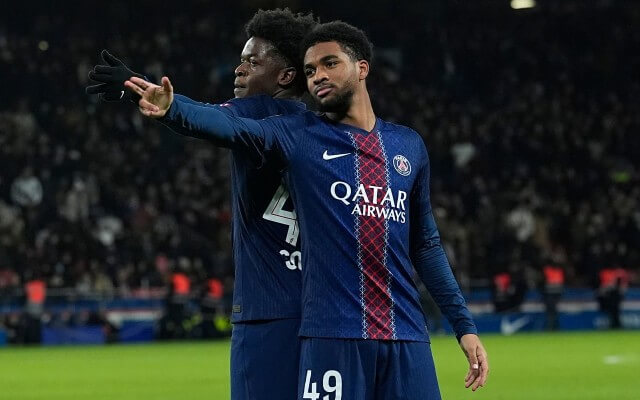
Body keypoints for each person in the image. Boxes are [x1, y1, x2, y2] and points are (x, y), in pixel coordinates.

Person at [126, 21, 489, 398]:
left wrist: (464, 326)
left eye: (330, 63)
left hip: (407, 334)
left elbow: (426, 245)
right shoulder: (298, 136)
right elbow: (230, 126)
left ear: (362, 68)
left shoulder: (407, 146)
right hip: (333, 336)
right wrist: (173, 109)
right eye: (311, 69)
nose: (319, 76)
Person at [87, 9, 316, 400]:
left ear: (285, 76)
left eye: (253, 61)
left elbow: (213, 119)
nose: (239, 69)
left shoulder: (254, 114)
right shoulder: (325, 127)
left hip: (267, 313)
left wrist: (161, 101)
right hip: (325, 314)